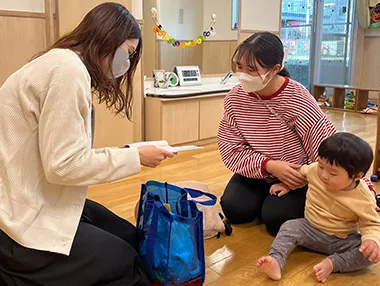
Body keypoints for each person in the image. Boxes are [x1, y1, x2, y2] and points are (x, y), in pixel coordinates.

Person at [0, 3, 173, 285]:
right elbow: (63, 166)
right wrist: (136, 157)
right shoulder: (67, 71)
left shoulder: (63, 63)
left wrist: (131, 153)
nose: (126, 65)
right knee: (127, 263)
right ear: (108, 39)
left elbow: (64, 156)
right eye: (127, 53)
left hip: (33, 196)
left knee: (129, 236)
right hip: (20, 222)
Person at [217, 32, 376, 235]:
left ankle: (272, 203)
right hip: (259, 171)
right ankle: (264, 199)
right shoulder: (235, 99)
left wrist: (300, 178)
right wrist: (270, 166)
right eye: (239, 67)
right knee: (235, 210)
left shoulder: (297, 99)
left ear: (275, 69)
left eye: (252, 69)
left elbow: (327, 149)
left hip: (297, 177)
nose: (243, 75)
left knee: (276, 220)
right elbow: (231, 147)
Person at [257, 132, 380, 283]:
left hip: (342, 239)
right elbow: (302, 174)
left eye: (333, 173)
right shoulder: (315, 170)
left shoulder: (364, 197)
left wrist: (371, 241)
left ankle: (334, 263)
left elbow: (371, 223)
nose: (324, 175)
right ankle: (276, 260)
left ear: (356, 176)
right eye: (321, 166)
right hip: (309, 229)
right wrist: (287, 185)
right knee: (289, 226)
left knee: (370, 255)